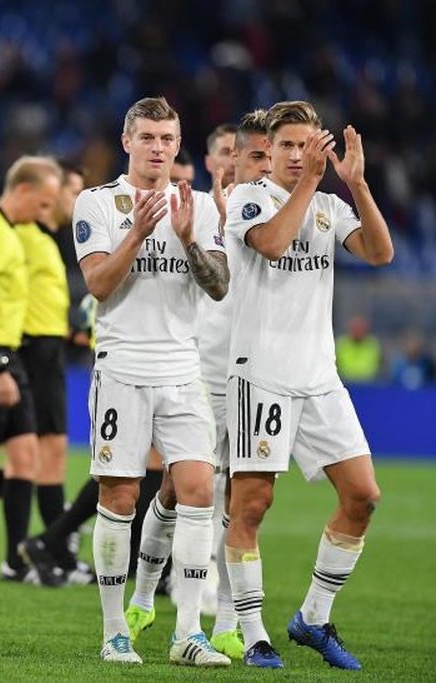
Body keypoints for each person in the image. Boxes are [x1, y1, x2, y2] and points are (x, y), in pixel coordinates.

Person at [224, 100, 393, 670]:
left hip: (320, 378)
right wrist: (311, 187)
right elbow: (271, 244)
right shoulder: (250, 197)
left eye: (306, 145)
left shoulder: (327, 205)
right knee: (251, 504)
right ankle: (253, 635)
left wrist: (358, 186)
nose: (298, 156)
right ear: (268, 152)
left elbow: (379, 252)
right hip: (261, 377)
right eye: (287, 146)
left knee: (363, 497)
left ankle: (313, 618)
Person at [73, 96, 230, 666]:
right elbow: (98, 285)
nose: (159, 148)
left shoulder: (201, 206)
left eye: (167, 139)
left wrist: (188, 237)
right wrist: (137, 235)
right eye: (149, 138)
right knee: (119, 495)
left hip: (181, 368)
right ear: (127, 142)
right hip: (121, 368)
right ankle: (116, 630)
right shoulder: (97, 203)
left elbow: (218, 287)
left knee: (198, 489)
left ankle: (187, 631)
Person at [121, 112, 272, 662]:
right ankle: (142, 595)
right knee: (177, 489)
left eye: (254, 155)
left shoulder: (269, 211)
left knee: (241, 495)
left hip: (255, 370)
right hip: (200, 365)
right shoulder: (200, 209)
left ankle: (229, 620)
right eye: (231, 154)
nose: (240, 163)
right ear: (211, 160)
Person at [0, 155, 63, 583]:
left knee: (25, 456)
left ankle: (14, 560)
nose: (44, 215)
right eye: (42, 204)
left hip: (10, 355)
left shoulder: (10, 232)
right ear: (22, 191)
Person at [12, 162, 87, 581]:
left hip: (49, 347)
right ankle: (44, 549)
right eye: (71, 192)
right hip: (29, 351)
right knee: (25, 459)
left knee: (38, 456)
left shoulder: (47, 240)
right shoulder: (24, 235)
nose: (75, 202)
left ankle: (47, 550)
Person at [335, 315, 383, 382]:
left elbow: (379, 367)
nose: (358, 331)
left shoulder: (373, 345)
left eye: (360, 328)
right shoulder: (341, 344)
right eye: (355, 328)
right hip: (344, 382)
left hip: (368, 384)